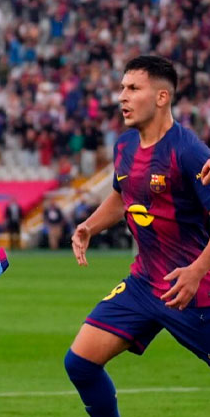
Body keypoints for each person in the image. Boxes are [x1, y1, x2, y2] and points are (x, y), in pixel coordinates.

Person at [68, 56, 210, 417]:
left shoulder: (189, 152)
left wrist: (196, 271)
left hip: (193, 289)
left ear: (162, 97)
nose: (122, 96)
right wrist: (89, 226)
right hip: (144, 284)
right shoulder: (125, 146)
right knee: (80, 362)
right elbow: (123, 195)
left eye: (133, 88)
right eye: (122, 88)